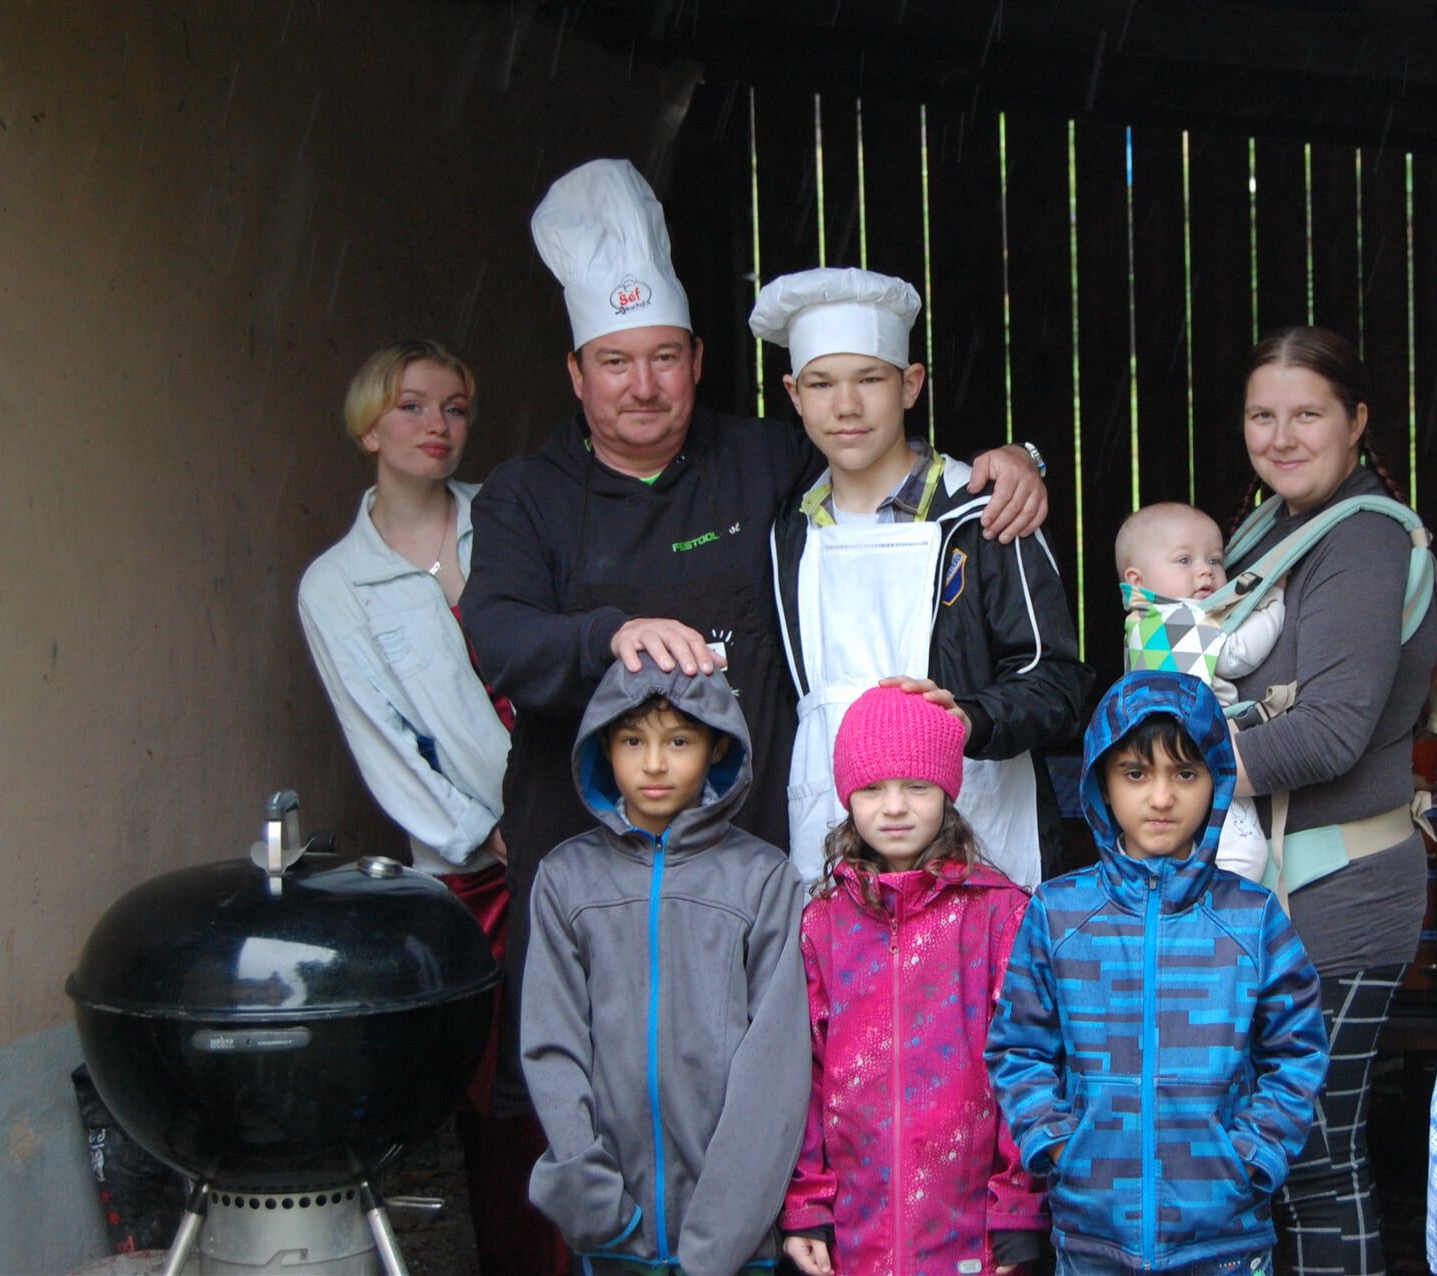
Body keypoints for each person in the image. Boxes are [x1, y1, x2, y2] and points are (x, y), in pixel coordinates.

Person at [459, 159, 1049, 1118]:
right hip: (585, 847)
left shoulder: (765, 459)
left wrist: (1015, 460)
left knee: (761, 1087)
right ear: (575, 374)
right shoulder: (525, 496)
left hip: (749, 852)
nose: (643, 386)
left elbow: (885, 457)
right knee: (591, 1092)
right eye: (614, 363)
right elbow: (497, 638)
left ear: (698, 360)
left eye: (664, 357)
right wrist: (614, 636)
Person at [295, 340, 565, 1275]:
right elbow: (382, 740)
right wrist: (486, 834)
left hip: (582, 824)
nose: (437, 426)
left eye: (454, 408)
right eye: (411, 407)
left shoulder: (515, 513)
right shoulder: (337, 584)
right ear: (368, 427)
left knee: (605, 1064)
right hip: (476, 873)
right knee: (507, 1097)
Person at [752, 266, 1093, 888]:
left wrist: (968, 720)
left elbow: (1059, 685)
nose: (846, 406)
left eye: (870, 379)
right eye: (822, 384)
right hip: (833, 837)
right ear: (794, 395)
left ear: (910, 385)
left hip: (981, 834)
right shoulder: (790, 532)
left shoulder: (984, 512)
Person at [1222, 326, 1437, 1276]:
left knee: (1312, 1157)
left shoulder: (1360, 539)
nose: (1282, 437)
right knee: (1283, 1157)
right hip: (1281, 887)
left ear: (1356, 421)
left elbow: (1328, 735)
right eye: (1262, 416)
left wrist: (1165, 774)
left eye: (1307, 414)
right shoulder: (1267, 528)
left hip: (1337, 890)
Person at [986, 670, 1328, 1274]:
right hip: (1092, 1239)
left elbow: (1297, 1051)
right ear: (1102, 781)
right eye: (1136, 774)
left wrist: (1249, 1158)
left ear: (1218, 780)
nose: (1162, 798)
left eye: (1186, 774)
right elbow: (1019, 1048)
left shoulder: (1251, 919)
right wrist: (1059, 1147)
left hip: (1225, 1240)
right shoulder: (1058, 913)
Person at [520, 662, 807, 1273]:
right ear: (604, 746)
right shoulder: (565, 879)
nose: (653, 764)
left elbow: (775, 1069)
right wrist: (597, 1206)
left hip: (735, 1245)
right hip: (612, 1234)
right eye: (633, 741)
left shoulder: (764, 879)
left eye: (678, 741)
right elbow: (551, 1047)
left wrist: (723, 1235)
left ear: (718, 746)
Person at [779, 685, 1046, 1275]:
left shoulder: (1000, 917)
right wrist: (806, 1207)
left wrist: (1018, 1212)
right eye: (873, 788)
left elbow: (1025, 1068)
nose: (894, 807)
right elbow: (803, 1079)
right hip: (855, 1241)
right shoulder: (822, 925)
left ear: (948, 793)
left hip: (970, 1238)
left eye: (917, 787)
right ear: (848, 796)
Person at [1116, 500, 1286, 878]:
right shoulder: (1174, 620)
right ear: (1138, 580)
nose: (1205, 571)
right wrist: (1273, 599)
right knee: (1242, 854)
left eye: (1214, 560)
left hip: (1165, 759)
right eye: (1184, 560)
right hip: (1198, 755)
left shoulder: (1140, 625)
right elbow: (1238, 655)